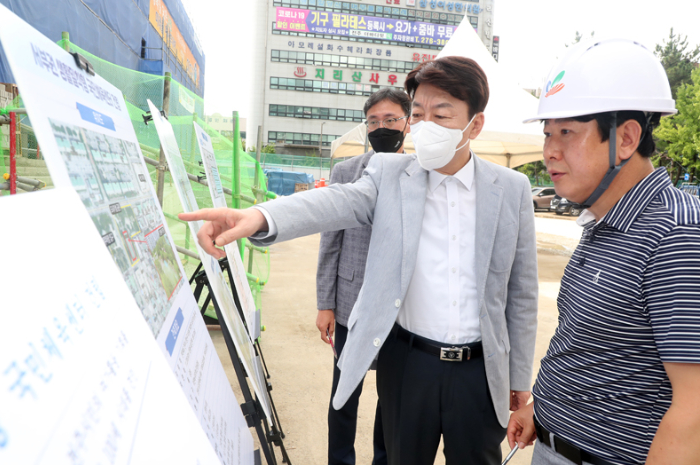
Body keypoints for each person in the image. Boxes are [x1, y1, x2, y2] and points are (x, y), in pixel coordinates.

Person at [179, 56, 538, 465]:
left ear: (475, 124)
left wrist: (518, 376)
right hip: (409, 363)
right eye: (418, 115)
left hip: (480, 369)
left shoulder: (511, 188)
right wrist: (260, 216)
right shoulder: (389, 173)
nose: (425, 126)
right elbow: (335, 202)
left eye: (442, 115)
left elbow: (522, 292)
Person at [507, 38, 700, 465]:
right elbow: (598, 349)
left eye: (567, 133)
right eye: (547, 134)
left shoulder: (677, 234)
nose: (549, 152)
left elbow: (695, 411)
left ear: (626, 137)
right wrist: (544, 408)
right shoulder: (605, 221)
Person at [317, 87, 410, 465]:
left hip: (398, 309)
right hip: (349, 305)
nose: (381, 127)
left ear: (408, 122)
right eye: (373, 121)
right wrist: (325, 304)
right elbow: (330, 242)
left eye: (391, 120)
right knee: (344, 392)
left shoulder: (422, 172)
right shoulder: (345, 172)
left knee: (392, 399)